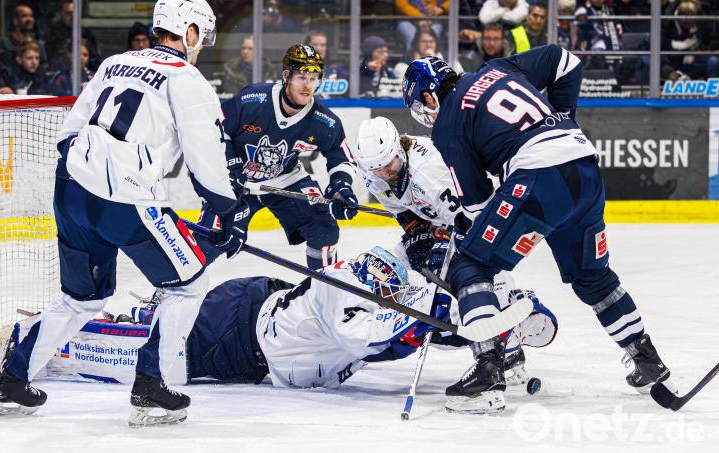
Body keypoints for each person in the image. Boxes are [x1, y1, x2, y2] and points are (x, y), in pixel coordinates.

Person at [0, 0, 244, 429]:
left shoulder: (114, 63)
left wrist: (96, 176)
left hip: (70, 191)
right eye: (201, 36)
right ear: (190, 31)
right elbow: (207, 159)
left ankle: (13, 377)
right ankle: (152, 384)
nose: (200, 46)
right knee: (190, 282)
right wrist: (228, 212)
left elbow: (70, 132)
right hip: (124, 199)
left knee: (81, 298)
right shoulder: (186, 78)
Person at [402, 46, 674, 414]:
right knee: (593, 277)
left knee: (470, 266)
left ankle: (488, 373)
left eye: (422, 104)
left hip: (540, 180)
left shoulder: (448, 121)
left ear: (431, 94)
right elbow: (567, 62)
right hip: (585, 168)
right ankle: (646, 359)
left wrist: (465, 226)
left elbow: (478, 206)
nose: (426, 113)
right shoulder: (497, 68)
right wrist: (564, 118)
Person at [32, 248, 558, 390]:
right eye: (391, 290)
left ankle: (132, 316)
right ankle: (64, 340)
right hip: (236, 339)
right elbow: (379, 339)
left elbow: (413, 313)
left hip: (253, 310)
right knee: (157, 354)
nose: (397, 293)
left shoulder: (373, 279)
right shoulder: (344, 299)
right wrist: (444, 313)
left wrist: (487, 317)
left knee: (169, 328)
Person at [350, 116, 548, 389]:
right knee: (386, 272)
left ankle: (502, 340)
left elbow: (470, 218)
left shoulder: (431, 173)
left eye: (389, 166)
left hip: (483, 217)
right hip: (441, 221)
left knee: (461, 278)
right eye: (377, 170)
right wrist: (417, 235)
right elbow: (406, 212)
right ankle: (502, 332)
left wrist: (442, 245)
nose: (385, 174)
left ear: (399, 149)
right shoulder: (374, 171)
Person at [197, 44, 358, 271]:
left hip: (284, 179)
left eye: (314, 78)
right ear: (286, 76)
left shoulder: (324, 121)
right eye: (302, 76)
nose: (307, 85)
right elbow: (217, 130)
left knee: (325, 229)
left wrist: (341, 186)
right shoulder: (253, 99)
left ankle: (325, 293)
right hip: (236, 180)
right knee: (208, 238)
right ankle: (167, 295)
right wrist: (230, 170)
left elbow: (340, 157)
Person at [2, 3, 47, 68]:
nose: (29, 19)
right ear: (15, 21)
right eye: (24, 16)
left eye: (31, 16)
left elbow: (43, 68)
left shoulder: (39, 45)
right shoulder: (4, 43)